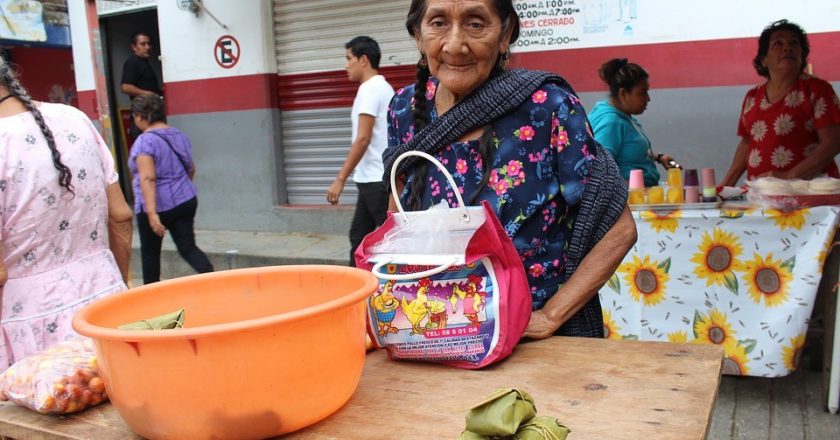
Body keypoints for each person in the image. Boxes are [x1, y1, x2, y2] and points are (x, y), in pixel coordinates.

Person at [382, 0, 637, 339]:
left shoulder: (548, 106)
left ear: (505, 35)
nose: (455, 45)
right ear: (418, 35)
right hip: (432, 332)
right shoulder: (404, 107)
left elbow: (619, 230)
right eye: (438, 22)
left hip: (527, 340)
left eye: (476, 23)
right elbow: (396, 219)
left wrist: (550, 316)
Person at [0, 55, 133, 369]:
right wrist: (119, 287)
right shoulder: (73, 117)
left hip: (30, 329)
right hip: (106, 304)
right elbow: (121, 215)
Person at [721, 19, 840, 186]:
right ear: (764, 60)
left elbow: (833, 143)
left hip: (810, 195)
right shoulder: (752, 97)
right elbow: (747, 143)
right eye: (778, 43)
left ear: (801, 56)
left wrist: (789, 176)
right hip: (762, 194)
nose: (787, 48)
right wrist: (725, 185)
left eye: (794, 43)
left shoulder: (817, 90)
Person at [128, 94, 213, 284]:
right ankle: (212, 277)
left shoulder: (145, 141)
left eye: (135, 116)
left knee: (150, 254)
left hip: (156, 206)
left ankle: (151, 298)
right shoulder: (179, 135)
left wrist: (152, 214)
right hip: (185, 200)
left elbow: (148, 177)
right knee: (188, 248)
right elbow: (191, 168)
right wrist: (180, 187)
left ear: (141, 116)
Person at [326, 36, 395, 266]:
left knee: (392, 241)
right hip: (373, 179)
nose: (346, 65)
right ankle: (358, 289)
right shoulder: (384, 87)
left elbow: (363, 138)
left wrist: (340, 179)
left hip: (375, 180)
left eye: (349, 58)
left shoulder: (369, 90)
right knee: (358, 237)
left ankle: (395, 290)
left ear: (363, 60)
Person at [588, 58, 676, 187]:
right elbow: (600, 172)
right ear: (623, 94)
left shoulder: (623, 116)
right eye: (642, 93)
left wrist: (658, 157)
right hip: (629, 201)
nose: (648, 99)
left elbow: (627, 149)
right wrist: (628, 194)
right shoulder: (610, 122)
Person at [120, 32, 161, 99]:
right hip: (143, 108)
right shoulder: (133, 62)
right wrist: (150, 94)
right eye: (143, 44)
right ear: (134, 47)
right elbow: (125, 87)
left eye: (149, 44)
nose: (147, 47)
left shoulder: (143, 62)